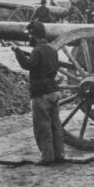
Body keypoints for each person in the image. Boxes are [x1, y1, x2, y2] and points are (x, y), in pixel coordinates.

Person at [12, 21, 65, 166]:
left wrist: (18, 53)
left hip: (40, 93)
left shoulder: (37, 50)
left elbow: (28, 65)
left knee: (43, 126)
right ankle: (59, 154)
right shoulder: (52, 50)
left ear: (33, 35)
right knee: (55, 125)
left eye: (30, 35)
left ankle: (47, 157)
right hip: (53, 91)